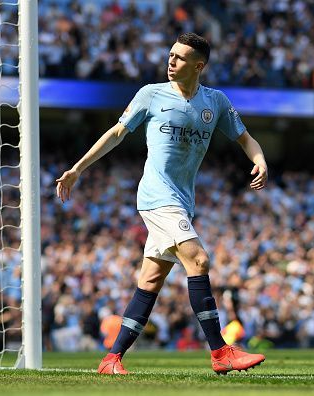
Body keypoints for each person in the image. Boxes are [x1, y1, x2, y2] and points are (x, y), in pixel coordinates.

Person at [56, 32, 268, 375]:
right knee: (198, 259)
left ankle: (111, 360)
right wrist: (78, 169)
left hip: (182, 201)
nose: (171, 61)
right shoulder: (151, 95)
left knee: (150, 281)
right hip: (157, 196)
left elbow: (245, 138)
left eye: (180, 58)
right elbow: (116, 133)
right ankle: (220, 352)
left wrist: (260, 160)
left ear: (198, 66)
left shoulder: (215, 102)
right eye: (171, 55)